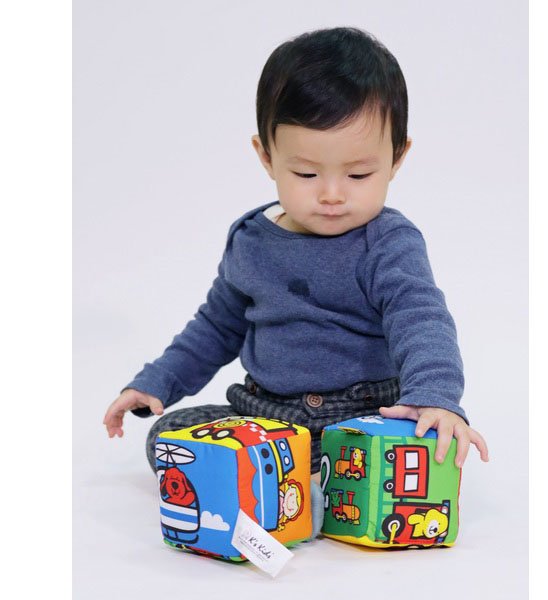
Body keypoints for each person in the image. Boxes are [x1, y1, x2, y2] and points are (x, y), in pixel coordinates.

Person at [103, 27, 489, 537]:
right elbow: (215, 328)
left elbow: (421, 319)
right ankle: (301, 480)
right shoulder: (251, 240)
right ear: (266, 156)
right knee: (168, 437)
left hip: (362, 413)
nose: (332, 195)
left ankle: (307, 481)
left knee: (413, 447)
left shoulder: (389, 242)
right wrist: (155, 383)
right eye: (306, 174)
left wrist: (434, 396)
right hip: (268, 412)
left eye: (358, 175)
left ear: (397, 157)